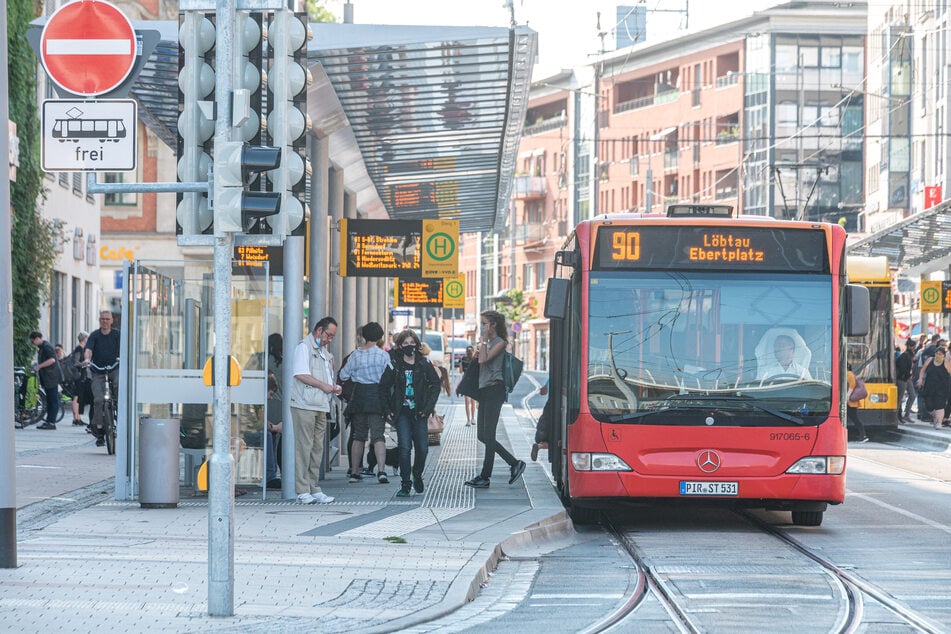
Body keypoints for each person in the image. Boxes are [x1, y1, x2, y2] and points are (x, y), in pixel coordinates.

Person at [464, 310, 526, 489]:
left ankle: (485, 476)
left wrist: (483, 341)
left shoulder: (500, 343)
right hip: (485, 391)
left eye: (484, 323)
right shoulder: (489, 343)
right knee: (482, 435)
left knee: (489, 435)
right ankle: (514, 463)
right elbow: (479, 361)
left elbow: (483, 360)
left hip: (494, 391)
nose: (482, 326)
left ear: (493, 325)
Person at [380, 329, 441, 497]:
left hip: (420, 412)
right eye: (406, 343)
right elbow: (383, 387)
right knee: (404, 447)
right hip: (401, 413)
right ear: (400, 346)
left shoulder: (424, 363)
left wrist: (428, 408)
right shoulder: (394, 364)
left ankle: (417, 473)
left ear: (417, 344)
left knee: (422, 448)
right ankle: (405, 483)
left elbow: (435, 385)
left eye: (412, 343)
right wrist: (387, 410)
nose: (409, 346)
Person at [289, 317, 339, 504]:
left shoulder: (324, 352)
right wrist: (324, 386)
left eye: (332, 337)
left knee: (317, 448)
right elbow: (300, 374)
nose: (329, 340)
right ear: (319, 330)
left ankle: (313, 487)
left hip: (320, 404)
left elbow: (325, 377)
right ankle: (302, 490)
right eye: (328, 335)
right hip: (304, 404)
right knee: (304, 447)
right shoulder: (304, 347)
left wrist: (332, 386)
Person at [339, 322, 392, 485]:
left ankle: (355, 472)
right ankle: (381, 471)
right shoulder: (383, 355)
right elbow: (389, 376)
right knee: (378, 436)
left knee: (358, 436)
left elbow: (343, 375)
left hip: (359, 397)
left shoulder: (355, 355)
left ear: (364, 336)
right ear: (380, 337)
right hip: (377, 397)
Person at [84, 310, 120, 446]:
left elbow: (124, 348)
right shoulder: (95, 335)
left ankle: (119, 412)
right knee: (98, 399)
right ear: (99, 320)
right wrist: (87, 359)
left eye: (107, 319)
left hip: (114, 368)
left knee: (118, 385)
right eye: (102, 319)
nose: (104, 321)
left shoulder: (117, 334)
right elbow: (88, 349)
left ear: (111, 321)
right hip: (98, 370)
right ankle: (99, 429)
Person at [30, 331, 60, 431]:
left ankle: (51, 422)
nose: (33, 344)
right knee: (50, 400)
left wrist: (39, 366)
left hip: (51, 377)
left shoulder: (46, 347)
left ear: (37, 338)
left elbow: (52, 360)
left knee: (53, 400)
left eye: (33, 341)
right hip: (48, 377)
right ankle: (49, 421)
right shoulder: (43, 347)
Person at [918, 346, 951, 430]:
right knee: (928, 406)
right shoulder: (930, 360)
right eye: (937, 353)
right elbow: (923, 369)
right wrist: (920, 379)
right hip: (929, 387)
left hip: (941, 388)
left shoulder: (946, 363)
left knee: (939, 406)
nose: (938, 355)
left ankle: (939, 423)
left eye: (940, 354)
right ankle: (936, 417)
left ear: (943, 355)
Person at [70, 331, 91, 426]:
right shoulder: (79, 348)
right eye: (87, 338)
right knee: (76, 396)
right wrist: (84, 364)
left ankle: (77, 417)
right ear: (85, 338)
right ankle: (76, 418)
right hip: (78, 375)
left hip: (79, 375)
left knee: (77, 396)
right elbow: (75, 362)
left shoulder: (82, 348)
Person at [895, 338, 917, 424]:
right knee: (899, 398)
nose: (914, 348)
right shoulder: (905, 355)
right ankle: (896, 416)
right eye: (913, 346)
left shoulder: (909, 355)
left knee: (912, 395)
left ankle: (906, 415)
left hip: (906, 378)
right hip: (902, 378)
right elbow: (903, 368)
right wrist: (907, 375)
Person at [846, 367, 869, 442]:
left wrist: (847, 397)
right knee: (854, 419)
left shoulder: (849, 374)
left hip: (850, 402)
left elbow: (851, 386)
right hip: (849, 402)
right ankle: (862, 435)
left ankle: (863, 436)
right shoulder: (847, 374)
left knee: (855, 419)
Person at [460, 346, 477, 425]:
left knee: (467, 402)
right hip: (473, 381)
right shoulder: (475, 360)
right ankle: (473, 418)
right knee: (473, 401)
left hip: (466, 381)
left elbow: (460, 371)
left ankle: (468, 420)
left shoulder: (463, 359)